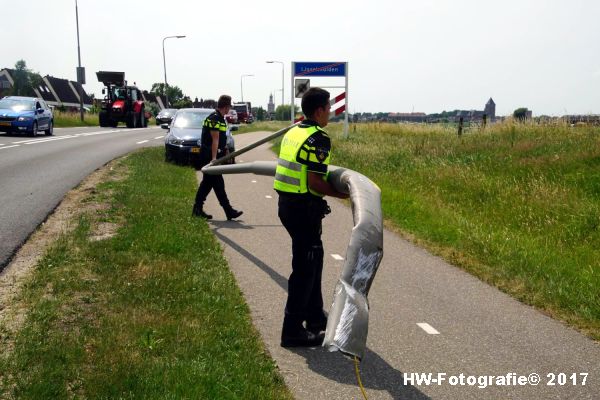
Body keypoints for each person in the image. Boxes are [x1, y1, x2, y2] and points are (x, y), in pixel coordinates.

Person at [274, 87, 349, 347]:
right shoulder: (318, 138)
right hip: (302, 207)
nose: (330, 113)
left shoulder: (294, 131)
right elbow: (315, 182)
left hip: (287, 204)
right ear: (319, 110)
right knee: (305, 269)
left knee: (313, 259)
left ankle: (315, 317)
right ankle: (292, 330)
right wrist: (341, 194)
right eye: (329, 108)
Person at [192, 95, 243, 220]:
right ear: (225, 106)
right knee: (217, 183)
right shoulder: (215, 119)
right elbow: (215, 140)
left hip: (213, 155)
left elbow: (220, 140)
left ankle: (198, 209)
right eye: (229, 106)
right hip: (209, 156)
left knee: (208, 184)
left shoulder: (219, 118)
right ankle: (228, 210)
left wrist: (224, 151)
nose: (230, 109)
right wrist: (214, 159)